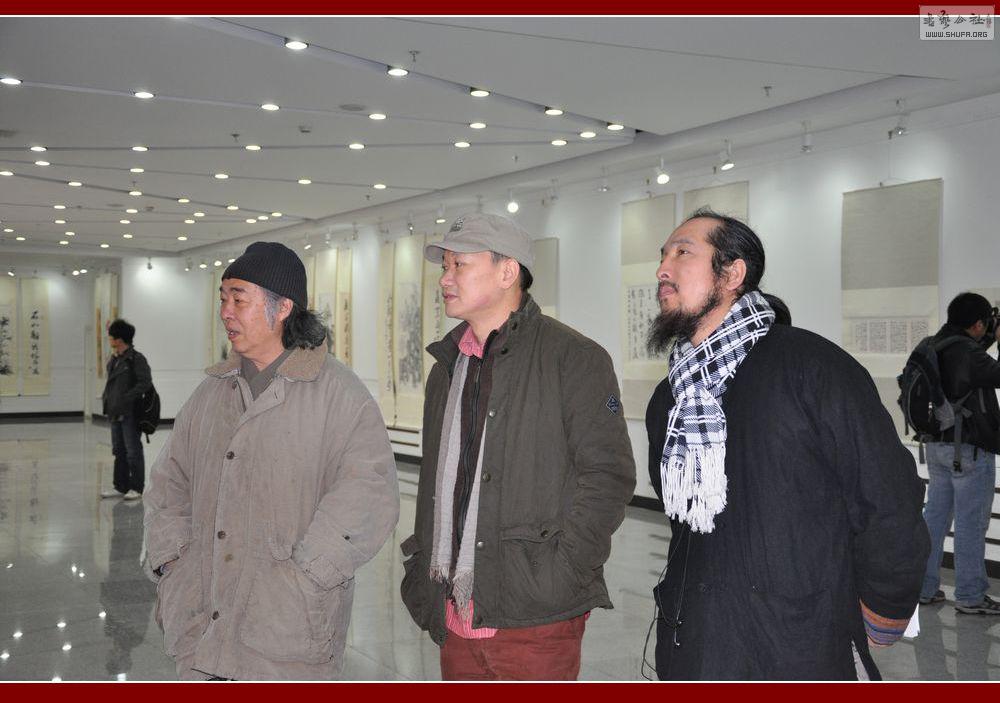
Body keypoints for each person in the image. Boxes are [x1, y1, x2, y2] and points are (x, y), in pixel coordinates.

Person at [644, 208, 929, 680]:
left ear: (732, 274)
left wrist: (886, 608)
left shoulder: (813, 367)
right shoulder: (671, 397)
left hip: (800, 642)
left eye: (682, 253)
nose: (662, 269)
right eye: (662, 256)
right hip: (696, 641)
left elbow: (887, 494)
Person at [143, 241, 399, 680]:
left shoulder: (338, 393)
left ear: (282, 308)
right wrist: (173, 560)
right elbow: (170, 480)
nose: (225, 312)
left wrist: (306, 575)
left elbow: (369, 491)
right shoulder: (211, 393)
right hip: (203, 625)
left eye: (239, 299)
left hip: (287, 634)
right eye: (222, 299)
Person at [400, 213, 636, 680]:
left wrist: (562, 573)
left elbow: (608, 476)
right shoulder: (447, 367)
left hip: (534, 615)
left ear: (508, 271)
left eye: (460, 265)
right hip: (455, 609)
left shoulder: (573, 358)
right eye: (444, 267)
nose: (445, 279)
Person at [919, 292, 1000, 614]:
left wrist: (988, 338)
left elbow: (970, 362)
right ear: (978, 324)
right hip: (967, 450)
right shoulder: (968, 352)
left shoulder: (933, 345)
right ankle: (970, 596)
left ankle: (924, 588)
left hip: (936, 446)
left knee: (935, 519)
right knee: (971, 523)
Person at [101, 319, 152, 501]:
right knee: (118, 450)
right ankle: (120, 486)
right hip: (115, 412)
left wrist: (126, 397)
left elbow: (145, 383)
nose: (109, 340)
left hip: (130, 413)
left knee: (133, 450)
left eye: (111, 337)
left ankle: (136, 487)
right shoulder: (115, 359)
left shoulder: (136, 359)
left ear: (119, 339)